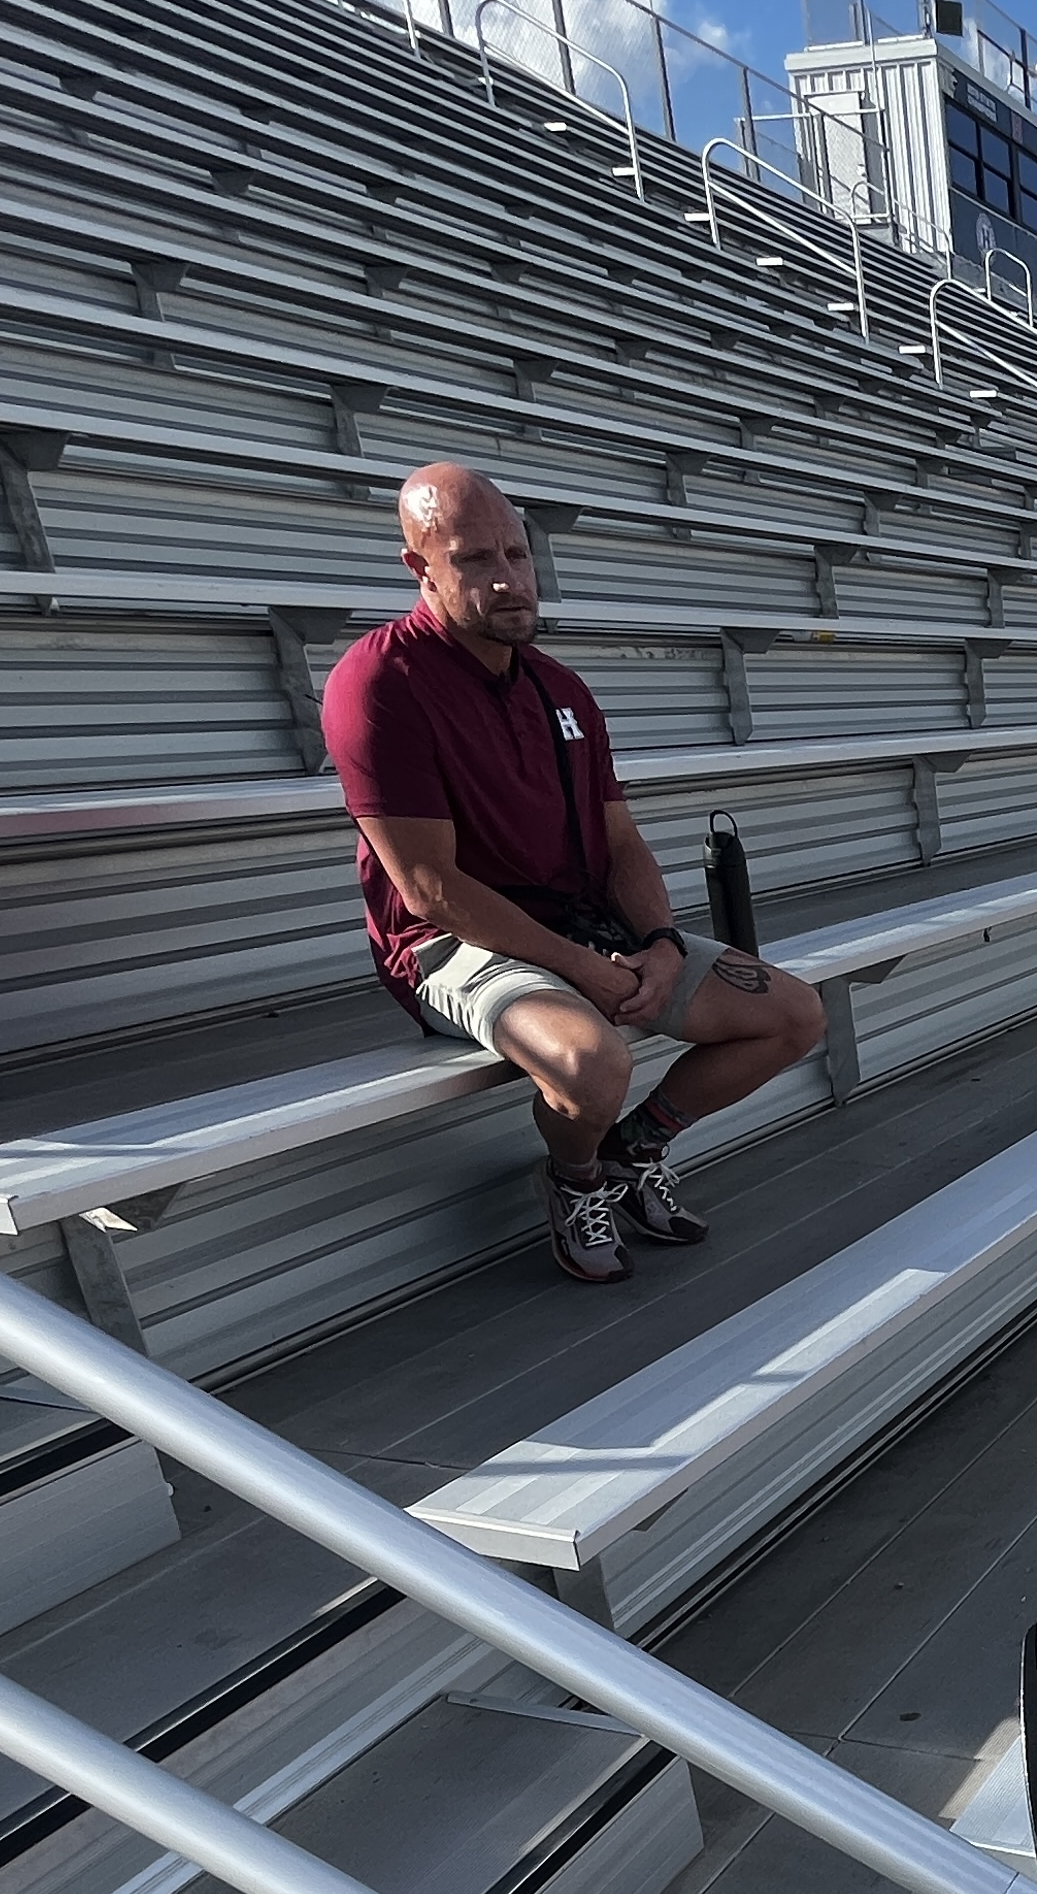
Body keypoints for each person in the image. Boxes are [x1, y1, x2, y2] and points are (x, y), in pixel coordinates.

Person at [325, 463, 826, 1284]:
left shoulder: (558, 686)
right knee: (592, 1063)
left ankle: (634, 1150)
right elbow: (430, 889)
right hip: (449, 943)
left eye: (517, 555)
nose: (508, 579)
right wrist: (585, 969)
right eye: (474, 559)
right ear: (420, 567)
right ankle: (576, 1177)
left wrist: (659, 942)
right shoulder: (380, 682)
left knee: (794, 1015)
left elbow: (620, 841)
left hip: (582, 924)